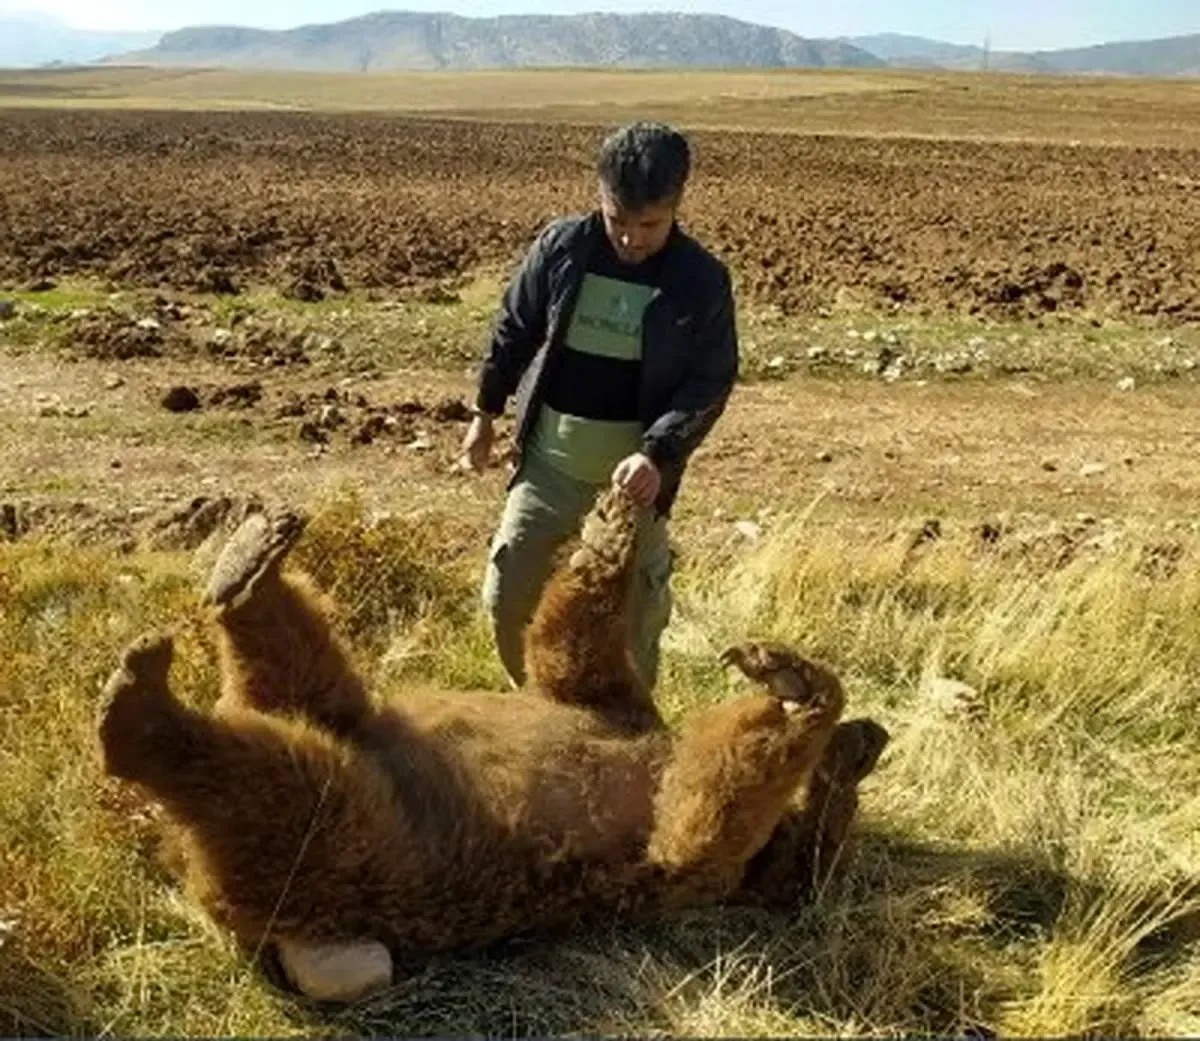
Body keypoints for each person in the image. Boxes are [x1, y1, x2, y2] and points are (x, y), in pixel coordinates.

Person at [460, 120, 739, 692]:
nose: (631, 239)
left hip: (636, 489)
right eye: (618, 220)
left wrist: (657, 453)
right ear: (600, 197)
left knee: (633, 629)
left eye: (649, 225)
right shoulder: (562, 249)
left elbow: (709, 381)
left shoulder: (701, 280)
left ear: (677, 206)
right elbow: (514, 329)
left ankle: (627, 734)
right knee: (508, 599)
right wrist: (484, 414)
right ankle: (540, 709)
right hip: (549, 469)